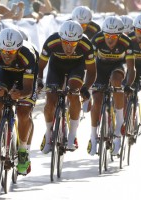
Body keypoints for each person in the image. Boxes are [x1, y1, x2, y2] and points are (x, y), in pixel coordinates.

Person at [0, 28, 38, 175]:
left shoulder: (27, 56)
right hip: (5, 74)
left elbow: (28, 89)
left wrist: (20, 94)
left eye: (11, 52)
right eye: (4, 51)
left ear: (18, 49)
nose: (7, 55)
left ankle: (22, 151)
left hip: (25, 79)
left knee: (23, 112)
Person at [38, 20, 97, 153]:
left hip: (76, 67)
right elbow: (40, 66)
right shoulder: (51, 42)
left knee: (73, 92)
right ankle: (48, 133)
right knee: (50, 102)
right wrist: (40, 81)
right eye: (65, 43)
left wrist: (86, 87)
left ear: (79, 41)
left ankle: (72, 135)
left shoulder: (86, 45)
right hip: (56, 67)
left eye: (73, 44)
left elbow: (92, 72)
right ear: (60, 39)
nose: (69, 47)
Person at [87, 16, 135, 156]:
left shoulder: (127, 42)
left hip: (117, 67)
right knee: (97, 101)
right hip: (99, 69)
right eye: (107, 35)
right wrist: (87, 86)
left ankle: (119, 126)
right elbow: (89, 66)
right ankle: (93, 135)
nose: (110, 39)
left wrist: (127, 85)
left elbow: (131, 68)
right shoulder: (96, 40)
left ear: (120, 35)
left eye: (114, 36)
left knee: (116, 82)